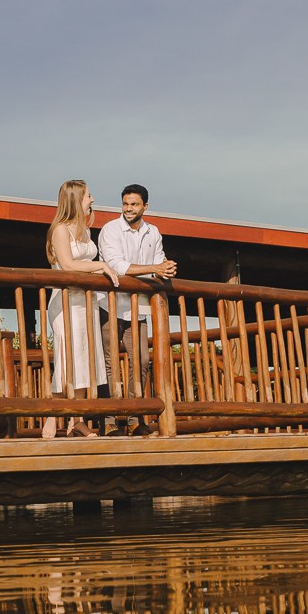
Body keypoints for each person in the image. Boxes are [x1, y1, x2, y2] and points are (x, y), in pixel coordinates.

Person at [43, 179, 119, 439]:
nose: (92, 199)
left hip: (87, 302)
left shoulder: (85, 231)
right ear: (76, 199)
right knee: (67, 359)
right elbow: (66, 264)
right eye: (88, 195)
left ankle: (77, 419)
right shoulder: (60, 230)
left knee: (85, 361)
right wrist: (100, 267)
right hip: (65, 303)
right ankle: (53, 415)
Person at [98, 183, 176, 431]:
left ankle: (135, 419)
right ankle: (109, 421)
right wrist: (155, 269)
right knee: (109, 364)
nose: (128, 208)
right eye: (125, 203)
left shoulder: (153, 232)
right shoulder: (110, 229)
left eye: (134, 204)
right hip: (108, 305)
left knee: (141, 361)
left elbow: (158, 265)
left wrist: (167, 269)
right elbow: (116, 265)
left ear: (145, 206)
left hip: (139, 309)